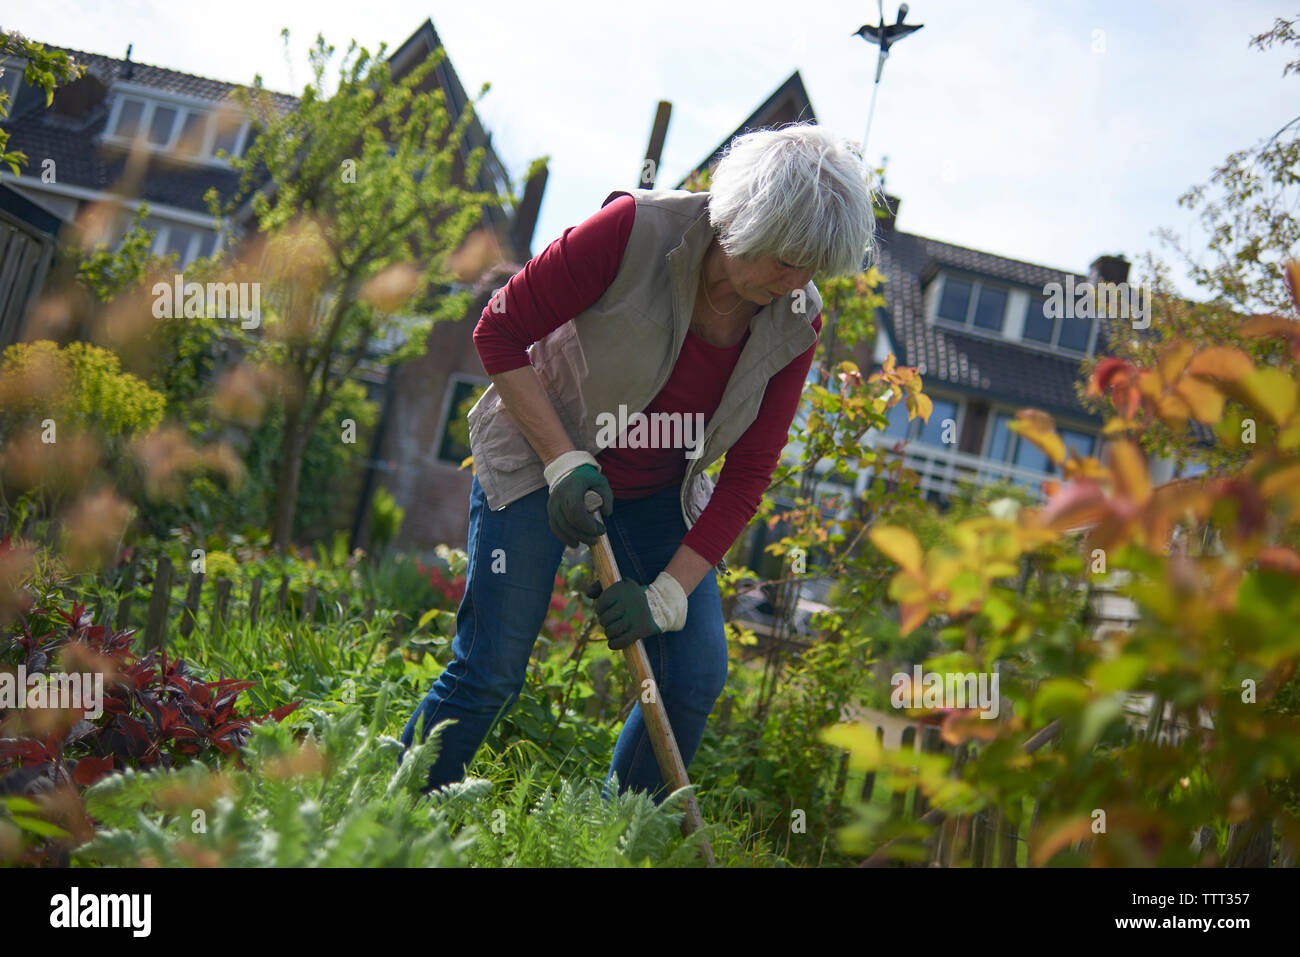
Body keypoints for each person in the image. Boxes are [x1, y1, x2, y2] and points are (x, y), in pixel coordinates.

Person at [398, 121, 878, 803]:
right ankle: (398, 810)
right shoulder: (633, 231)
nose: (796, 280)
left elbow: (746, 476)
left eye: (813, 266)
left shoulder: (796, 316)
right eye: (786, 258)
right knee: (494, 667)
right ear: (749, 219)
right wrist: (564, 462)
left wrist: (667, 593)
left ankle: (611, 832)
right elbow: (498, 329)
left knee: (693, 675)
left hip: (659, 493)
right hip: (541, 457)